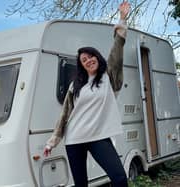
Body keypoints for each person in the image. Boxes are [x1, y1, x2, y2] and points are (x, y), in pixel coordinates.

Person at [43, 1, 130, 187]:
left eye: (91, 56)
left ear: (97, 57)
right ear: (81, 66)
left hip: (98, 137)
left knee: (120, 178)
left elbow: (117, 50)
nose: (88, 60)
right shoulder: (76, 85)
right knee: (81, 184)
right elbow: (65, 114)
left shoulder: (109, 77)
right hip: (75, 138)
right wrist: (52, 142)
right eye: (84, 60)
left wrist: (122, 20)